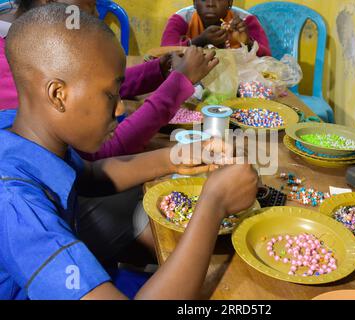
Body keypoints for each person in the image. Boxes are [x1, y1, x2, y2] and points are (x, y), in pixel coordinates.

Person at [1, 3, 258, 300]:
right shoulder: (17, 207)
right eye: (111, 94)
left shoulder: (20, 129)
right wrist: (213, 204)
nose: (121, 107)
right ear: (58, 94)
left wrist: (179, 155)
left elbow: (90, 175)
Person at [0, 0, 216, 160]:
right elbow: (104, 151)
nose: (96, 15)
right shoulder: (17, 67)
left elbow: (96, 84)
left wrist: (158, 70)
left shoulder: (31, 37)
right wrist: (178, 84)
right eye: (90, 6)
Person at [161, 0, 271, 57]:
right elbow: (164, 54)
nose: (210, 4)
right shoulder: (181, 19)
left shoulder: (245, 20)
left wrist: (248, 42)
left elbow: (268, 58)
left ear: (230, 2)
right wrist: (199, 41)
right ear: (194, 2)